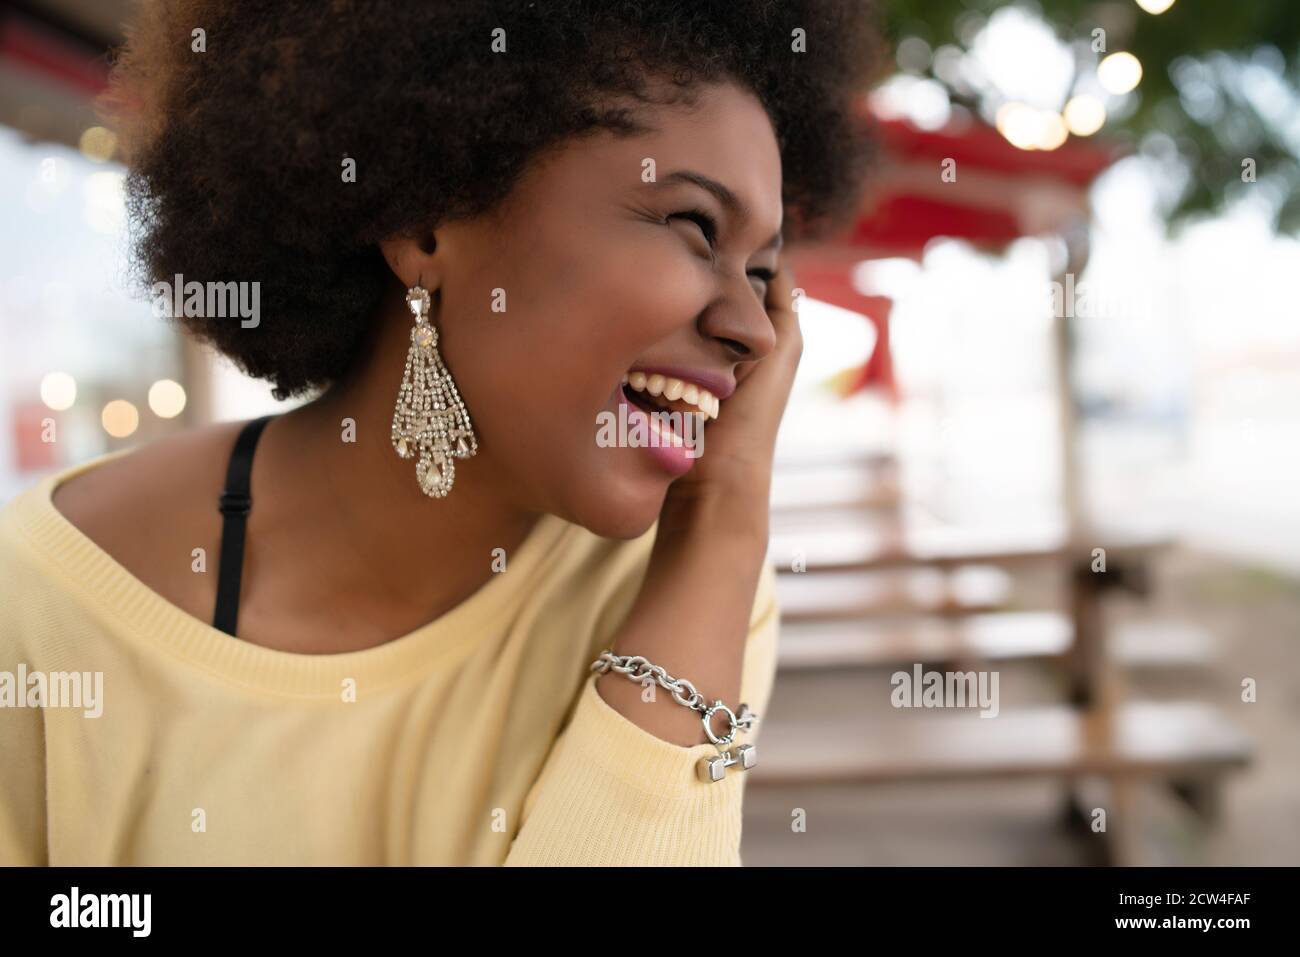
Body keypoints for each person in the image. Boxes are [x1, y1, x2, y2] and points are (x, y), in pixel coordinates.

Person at [0, 0, 877, 865]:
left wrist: (724, 517)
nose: (756, 329)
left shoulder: (698, 585)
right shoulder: (40, 615)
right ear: (426, 222)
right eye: (695, 226)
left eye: (764, 272)